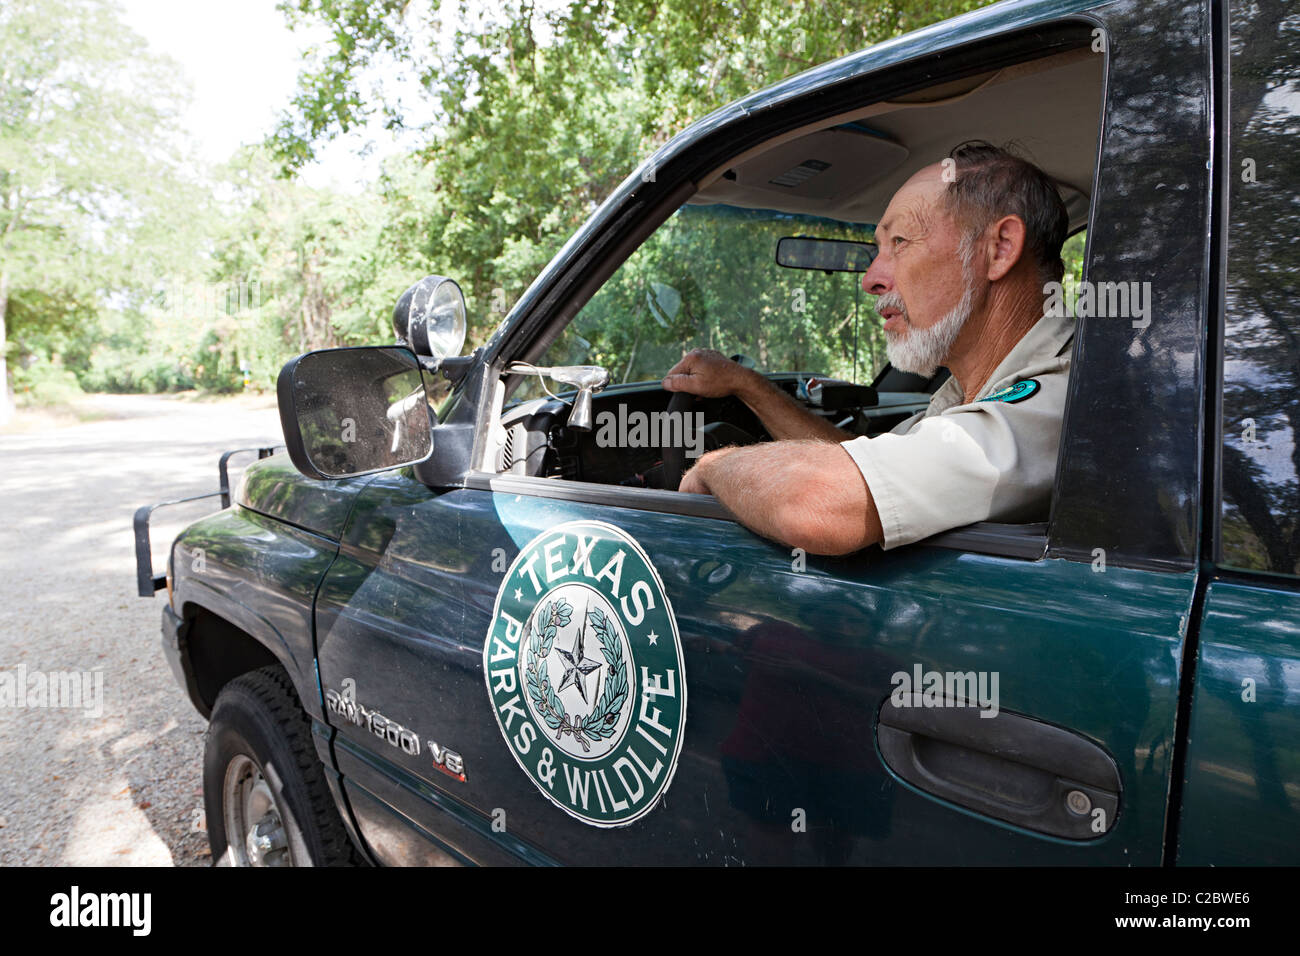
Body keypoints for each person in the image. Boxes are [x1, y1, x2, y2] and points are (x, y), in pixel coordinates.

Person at [663, 141, 1074, 555]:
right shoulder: (971, 392)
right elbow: (859, 465)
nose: (871, 279)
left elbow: (817, 503)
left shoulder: (1062, 400)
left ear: (999, 248)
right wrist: (745, 385)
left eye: (900, 241)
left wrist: (712, 466)